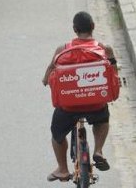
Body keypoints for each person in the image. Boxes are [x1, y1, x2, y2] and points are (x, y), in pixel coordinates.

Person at [42, 11, 117, 182]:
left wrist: (45, 79)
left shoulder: (63, 50)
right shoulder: (105, 49)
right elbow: (113, 73)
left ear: (74, 29)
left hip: (69, 108)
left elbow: (49, 71)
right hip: (96, 105)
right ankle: (98, 150)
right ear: (93, 27)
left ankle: (62, 169)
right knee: (103, 120)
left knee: (57, 134)